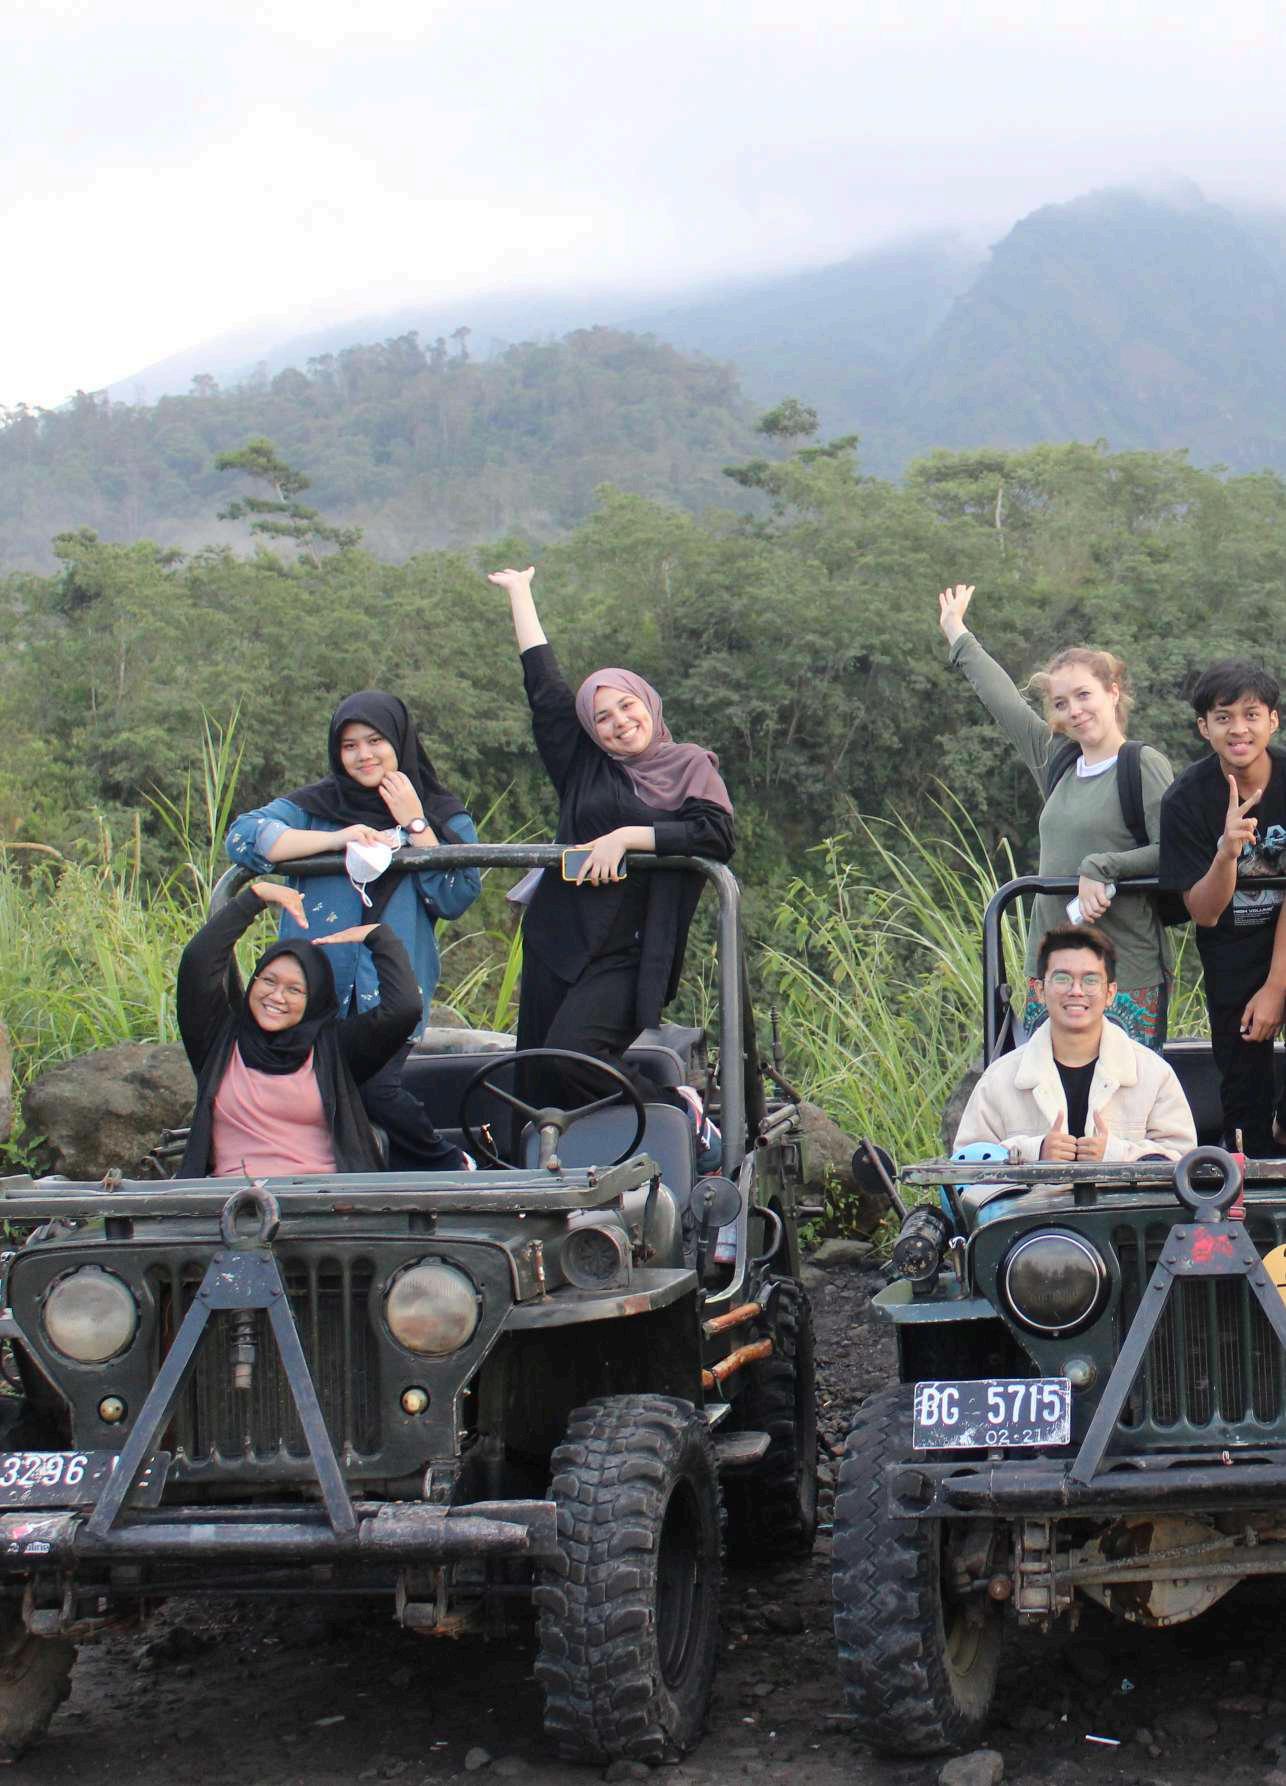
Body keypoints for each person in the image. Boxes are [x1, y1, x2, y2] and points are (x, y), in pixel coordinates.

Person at [486, 565, 733, 1150]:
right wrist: (521, 594)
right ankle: (547, 1178)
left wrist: (627, 837)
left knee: (574, 1053)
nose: (621, 723)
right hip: (561, 938)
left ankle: (674, 1110)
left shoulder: (690, 764)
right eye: (604, 718)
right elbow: (545, 691)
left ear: (647, 702)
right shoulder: (584, 769)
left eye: (626, 706)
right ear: (592, 731)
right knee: (540, 1073)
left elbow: (714, 835)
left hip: (632, 950)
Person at [226, 692, 481, 1170]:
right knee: (317, 1093)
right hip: (315, 988)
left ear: (399, 741)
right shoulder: (317, 806)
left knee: (376, 1089)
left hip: (389, 990)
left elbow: (456, 896)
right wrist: (337, 838)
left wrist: (416, 823)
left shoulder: (442, 812)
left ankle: (453, 1166)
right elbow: (244, 836)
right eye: (350, 746)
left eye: (375, 741)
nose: (364, 755)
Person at [938, 583, 1175, 1049]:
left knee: (1124, 1091)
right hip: (1052, 971)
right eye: (1062, 703)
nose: (1074, 712)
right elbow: (1003, 701)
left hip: (1124, 975)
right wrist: (956, 632)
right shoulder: (1057, 760)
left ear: (1112, 692)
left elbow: (1174, 852)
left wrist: (1103, 865)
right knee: (1049, 1090)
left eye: (1084, 695)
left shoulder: (1141, 765)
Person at [175, 880, 421, 1178]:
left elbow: (404, 1009)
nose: (276, 996)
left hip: (326, 1196)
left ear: (314, 999)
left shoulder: (335, 1048)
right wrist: (255, 897)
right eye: (268, 981)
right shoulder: (218, 1040)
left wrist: (379, 938)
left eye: (294, 990)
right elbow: (197, 963)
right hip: (234, 1197)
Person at [1159, 660, 1286, 1157]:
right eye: (1223, 717)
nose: (1238, 729)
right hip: (1231, 951)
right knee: (1244, 1106)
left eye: (1251, 715)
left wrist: (1277, 987)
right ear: (1204, 727)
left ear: (1272, 720)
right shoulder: (1185, 800)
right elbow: (1204, 912)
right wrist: (1226, 854)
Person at [954, 926, 1197, 1162]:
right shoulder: (1000, 1078)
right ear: (1040, 990)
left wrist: (1116, 1155)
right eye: (1062, 978)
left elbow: (1184, 1162)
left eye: (1090, 980)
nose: (1076, 991)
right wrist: (1034, 1152)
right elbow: (967, 1165)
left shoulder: (1153, 1074)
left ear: (1110, 993)